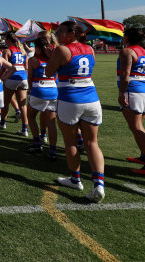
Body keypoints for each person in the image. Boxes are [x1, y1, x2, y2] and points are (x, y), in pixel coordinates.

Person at [45, 21, 105, 203]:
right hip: (92, 99)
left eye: (59, 32)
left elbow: (48, 72)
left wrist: (51, 55)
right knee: (92, 143)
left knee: (71, 143)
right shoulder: (89, 49)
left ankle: (75, 179)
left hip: (70, 100)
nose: (57, 34)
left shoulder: (62, 50)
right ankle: (99, 184)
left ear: (70, 33)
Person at [25, 31, 59, 160]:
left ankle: (37, 143)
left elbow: (30, 77)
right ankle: (53, 150)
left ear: (38, 48)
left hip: (39, 90)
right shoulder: (53, 59)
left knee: (31, 116)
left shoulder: (33, 59)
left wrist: (29, 89)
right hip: (53, 90)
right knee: (51, 122)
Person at [117, 27, 145, 174]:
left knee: (137, 127)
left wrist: (121, 92)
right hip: (143, 90)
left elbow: (125, 74)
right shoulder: (143, 50)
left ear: (127, 38)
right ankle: (143, 156)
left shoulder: (127, 51)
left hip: (133, 91)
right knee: (138, 125)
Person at [0, 32, 29, 136]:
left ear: (8, 40)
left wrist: (1, 77)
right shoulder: (23, 51)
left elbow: (5, 67)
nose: (4, 41)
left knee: (5, 103)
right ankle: (25, 129)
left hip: (12, 78)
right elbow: (26, 67)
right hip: (23, 78)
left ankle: (3, 123)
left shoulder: (7, 50)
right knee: (23, 105)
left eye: (5, 39)